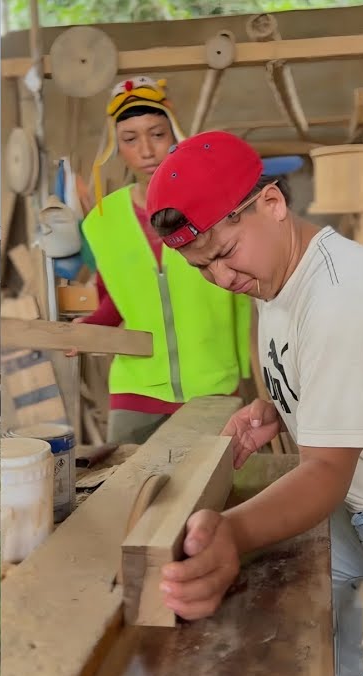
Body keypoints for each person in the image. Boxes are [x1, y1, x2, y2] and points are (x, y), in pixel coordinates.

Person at [145, 130, 363, 676]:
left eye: (225, 255)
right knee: (306, 595)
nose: (223, 279)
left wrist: (232, 533)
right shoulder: (275, 271)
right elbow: (321, 374)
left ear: (272, 204)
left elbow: (325, 470)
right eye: (203, 269)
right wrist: (278, 406)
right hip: (360, 507)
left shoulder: (341, 301)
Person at [76, 76, 252, 444]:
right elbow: (114, 300)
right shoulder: (102, 222)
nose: (146, 150)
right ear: (116, 146)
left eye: (157, 134)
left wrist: (249, 373)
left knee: (208, 496)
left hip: (214, 386)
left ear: (176, 135)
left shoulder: (219, 206)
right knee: (124, 492)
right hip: (135, 389)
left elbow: (248, 287)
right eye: (130, 139)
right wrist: (84, 330)